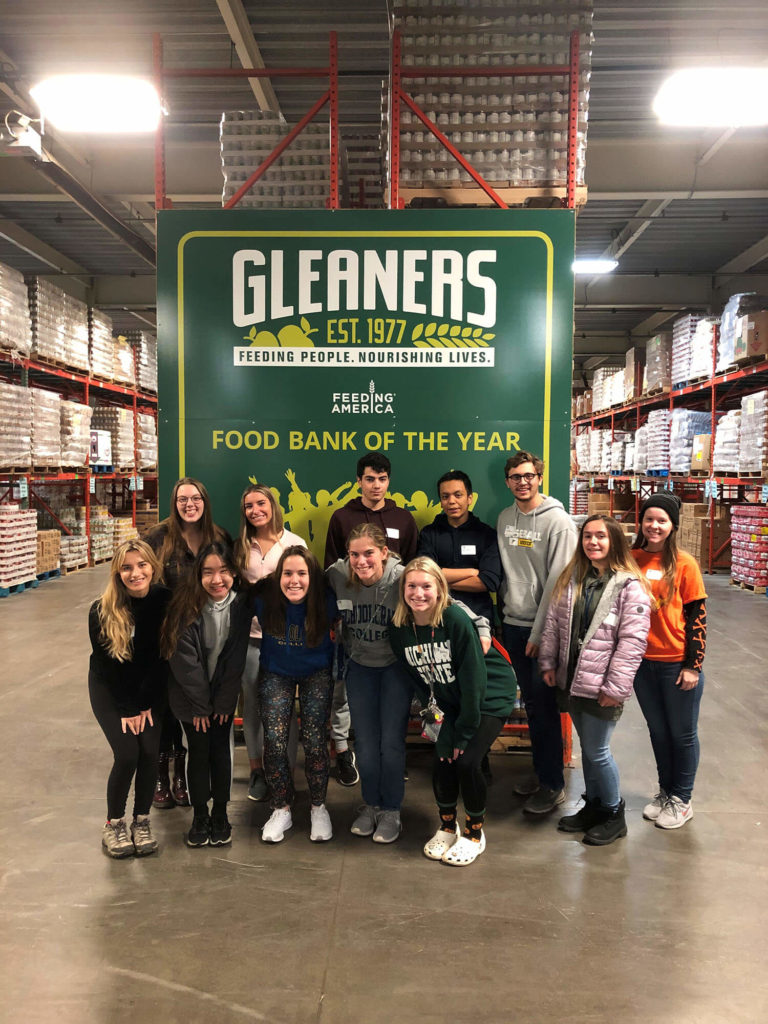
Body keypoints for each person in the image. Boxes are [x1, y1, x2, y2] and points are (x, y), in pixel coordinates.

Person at [326, 524, 491, 844]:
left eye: (369, 553)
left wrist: (482, 627)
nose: (361, 561)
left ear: (384, 553)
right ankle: (371, 804)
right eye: (354, 554)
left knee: (390, 743)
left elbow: (447, 602)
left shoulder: (402, 578)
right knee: (366, 744)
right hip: (359, 669)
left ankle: (391, 810)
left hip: (395, 670)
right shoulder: (336, 575)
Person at [389, 558, 516, 866]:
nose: (418, 593)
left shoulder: (455, 619)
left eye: (426, 586)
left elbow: (474, 681)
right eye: (412, 586)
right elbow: (420, 684)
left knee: (468, 760)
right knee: (443, 758)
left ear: (440, 588)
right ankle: (447, 826)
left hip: (488, 695)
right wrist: (441, 729)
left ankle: (474, 834)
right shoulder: (399, 629)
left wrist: (464, 731)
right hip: (448, 699)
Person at [538, 516, 651, 845]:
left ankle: (615, 814)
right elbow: (553, 625)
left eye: (600, 536)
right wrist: (548, 661)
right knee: (589, 751)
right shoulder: (574, 578)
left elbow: (632, 643)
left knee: (599, 751)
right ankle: (595, 806)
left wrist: (615, 689)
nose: (593, 542)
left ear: (614, 541)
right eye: (587, 536)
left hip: (604, 687)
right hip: (573, 681)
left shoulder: (630, 586)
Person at [324, 453, 419, 788]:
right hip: (352, 634)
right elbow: (332, 574)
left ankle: (389, 768)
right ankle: (347, 755)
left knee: (390, 716)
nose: (375, 485)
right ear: (359, 480)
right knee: (346, 702)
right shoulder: (341, 517)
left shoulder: (404, 519)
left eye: (381, 479)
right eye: (369, 479)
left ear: (388, 481)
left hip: (392, 637)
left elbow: (415, 574)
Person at [496, 451, 578, 814]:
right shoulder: (504, 519)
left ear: (539, 478)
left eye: (528, 475)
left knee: (544, 707)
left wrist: (539, 634)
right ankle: (541, 773)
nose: (522, 481)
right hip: (512, 624)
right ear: (508, 481)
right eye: (515, 476)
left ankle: (553, 784)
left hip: (541, 630)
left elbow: (558, 586)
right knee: (532, 705)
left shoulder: (558, 523)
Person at [146, 477, 232, 811]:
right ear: (174, 503)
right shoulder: (157, 537)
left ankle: (183, 775)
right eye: (182, 499)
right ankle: (162, 776)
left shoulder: (219, 536)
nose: (189, 504)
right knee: (165, 711)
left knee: (194, 711)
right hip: (164, 638)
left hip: (208, 637)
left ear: (204, 501)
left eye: (195, 498)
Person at [162, 543, 251, 848]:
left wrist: (224, 703)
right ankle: (200, 814)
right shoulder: (183, 606)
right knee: (199, 752)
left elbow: (235, 658)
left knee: (221, 753)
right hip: (190, 699)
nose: (217, 579)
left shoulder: (241, 606)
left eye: (224, 571)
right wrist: (201, 707)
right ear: (198, 574)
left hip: (222, 697)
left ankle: (221, 814)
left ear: (234, 573)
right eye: (209, 572)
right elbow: (185, 664)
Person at [88, 540, 171, 858]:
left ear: (152, 566)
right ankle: (114, 824)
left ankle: (141, 821)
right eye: (127, 567)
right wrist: (127, 708)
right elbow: (109, 666)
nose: (135, 573)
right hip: (111, 690)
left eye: (141, 565)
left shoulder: (164, 599)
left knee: (149, 751)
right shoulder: (102, 609)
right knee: (126, 754)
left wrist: (146, 704)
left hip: (149, 690)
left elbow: (160, 658)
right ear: (117, 572)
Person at [632, 492, 707, 830]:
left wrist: (694, 665)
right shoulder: (631, 559)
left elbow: (697, 616)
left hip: (676, 663)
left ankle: (683, 799)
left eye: (662, 520)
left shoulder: (685, 563)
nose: (655, 525)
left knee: (682, 734)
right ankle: (665, 792)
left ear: (673, 525)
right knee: (658, 732)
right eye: (650, 519)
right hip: (641, 663)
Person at [253, 547, 337, 843]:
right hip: (276, 671)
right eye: (287, 573)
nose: (294, 580)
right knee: (274, 741)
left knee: (315, 741)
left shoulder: (328, 600)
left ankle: (318, 807)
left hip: (317, 672)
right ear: (278, 576)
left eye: (302, 573)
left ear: (312, 577)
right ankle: (281, 807)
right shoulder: (263, 597)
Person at [234, 483, 303, 802]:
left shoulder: (294, 543)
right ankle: (258, 769)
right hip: (249, 639)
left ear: (273, 506)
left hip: (284, 641)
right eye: (249, 506)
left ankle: (284, 770)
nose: (255, 510)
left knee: (284, 708)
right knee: (253, 707)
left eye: (260, 503)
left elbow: (305, 588)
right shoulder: (239, 547)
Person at [417, 469, 502, 623]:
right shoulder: (429, 534)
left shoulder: (486, 535)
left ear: (469, 498)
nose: (451, 501)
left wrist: (439, 578)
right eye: (445, 496)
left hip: (479, 619)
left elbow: (489, 581)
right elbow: (424, 575)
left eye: (458, 495)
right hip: (437, 617)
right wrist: (471, 572)